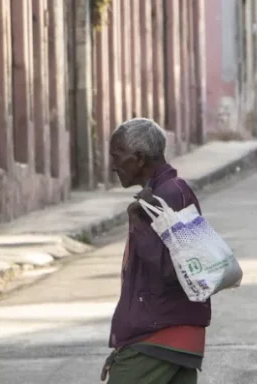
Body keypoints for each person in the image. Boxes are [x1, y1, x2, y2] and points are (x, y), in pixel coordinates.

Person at [101, 118, 211, 384]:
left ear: (138, 158)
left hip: (158, 336)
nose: (114, 166)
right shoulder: (172, 191)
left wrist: (139, 222)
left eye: (117, 157)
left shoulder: (166, 196)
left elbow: (176, 269)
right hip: (175, 337)